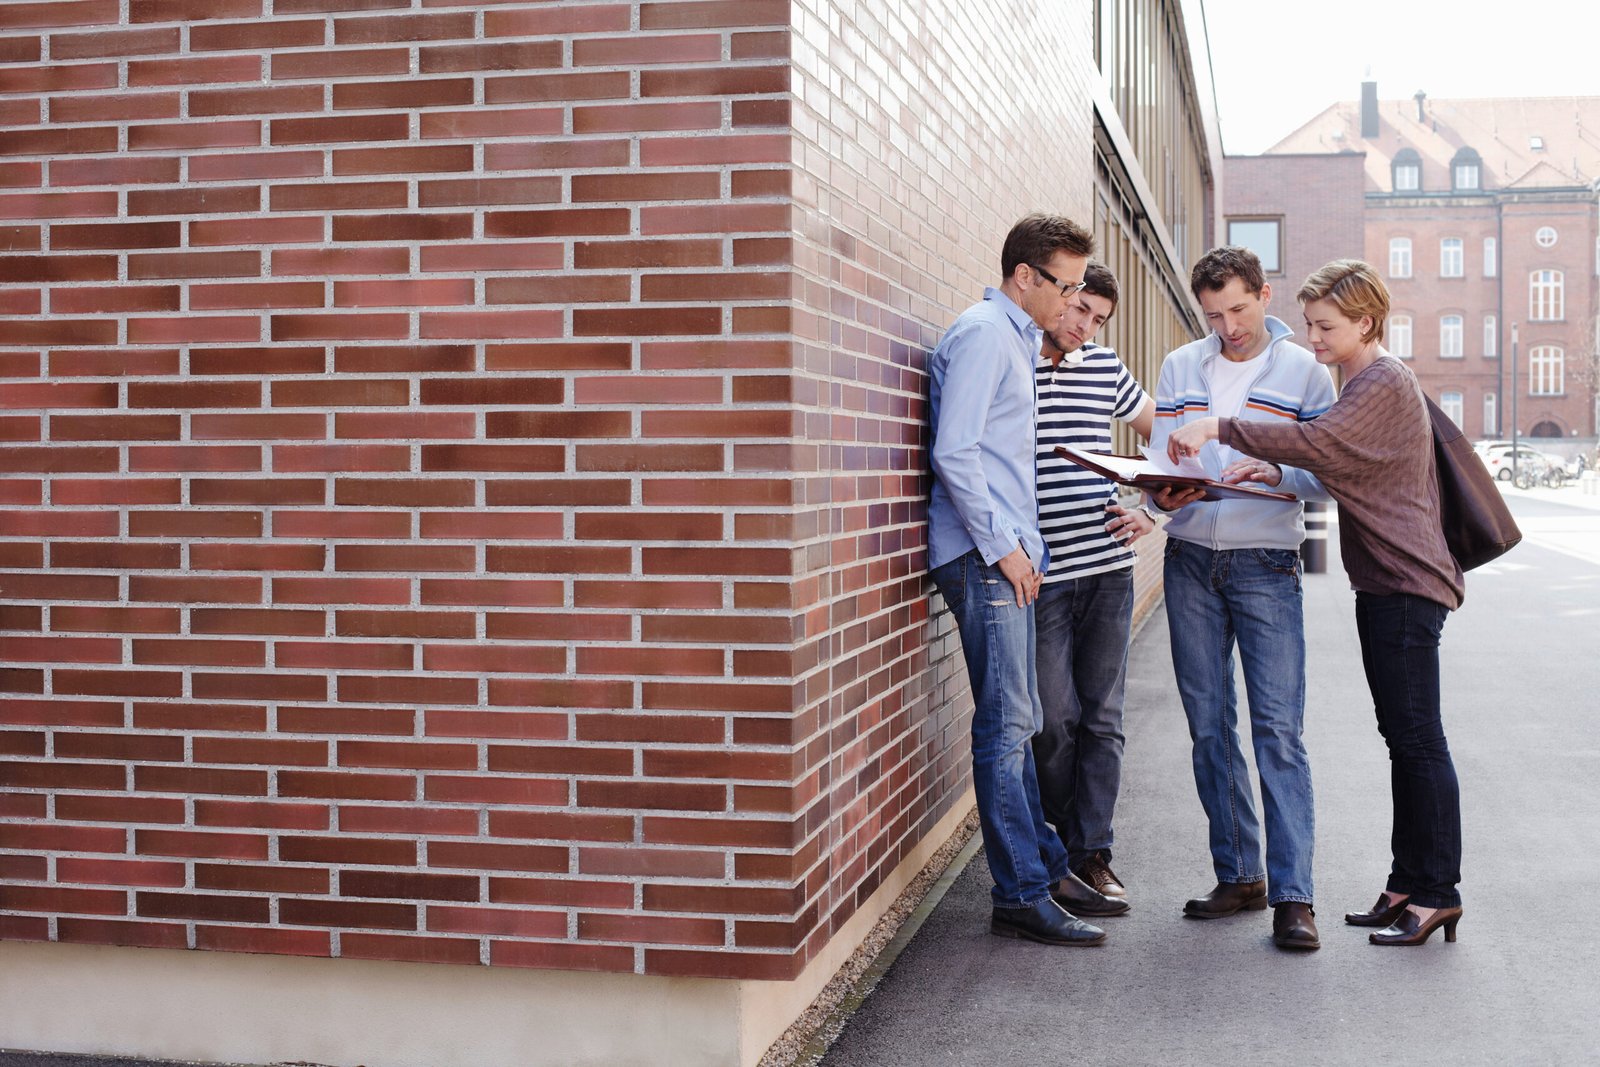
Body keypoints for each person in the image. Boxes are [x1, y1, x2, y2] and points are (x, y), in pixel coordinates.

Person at [1167, 259, 1467, 947]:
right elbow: (1329, 460)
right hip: (1382, 582)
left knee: (1418, 741)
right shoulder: (1360, 376)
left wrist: (1222, 429)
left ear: (1365, 321)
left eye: (1325, 325)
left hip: (1405, 579)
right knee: (1404, 740)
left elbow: (1322, 446)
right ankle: (1406, 882)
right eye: (1309, 324)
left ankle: (1438, 890)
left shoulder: (1382, 379)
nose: (1313, 336)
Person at [928, 213, 1119, 947]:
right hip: (983, 557)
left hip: (1005, 553)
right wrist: (1005, 548)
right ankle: (1021, 892)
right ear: (1025, 277)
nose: (1072, 301)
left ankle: (1045, 864)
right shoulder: (983, 333)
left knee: (1023, 718)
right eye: (1065, 285)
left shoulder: (1013, 339)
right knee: (1008, 726)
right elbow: (957, 451)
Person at [1146, 246, 1335, 951]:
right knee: (1208, 726)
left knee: (1278, 732)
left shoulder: (1305, 372)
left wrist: (1280, 471)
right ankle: (1240, 874)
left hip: (1265, 561)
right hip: (1191, 557)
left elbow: (1330, 475)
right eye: (1213, 314)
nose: (1227, 326)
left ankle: (1294, 895)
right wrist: (1159, 491)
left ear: (1264, 293)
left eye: (1238, 309)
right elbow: (1164, 459)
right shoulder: (1178, 367)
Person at [1032, 262, 1155, 909]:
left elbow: (1167, 437)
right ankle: (1056, 845)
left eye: (1099, 319)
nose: (1085, 326)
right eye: (1080, 309)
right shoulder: (1014, 364)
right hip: (1044, 576)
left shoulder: (1106, 369)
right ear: (1058, 295)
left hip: (1107, 570)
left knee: (1102, 718)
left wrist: (1150, 506)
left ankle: (1092, 852)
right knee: (1054, 719)